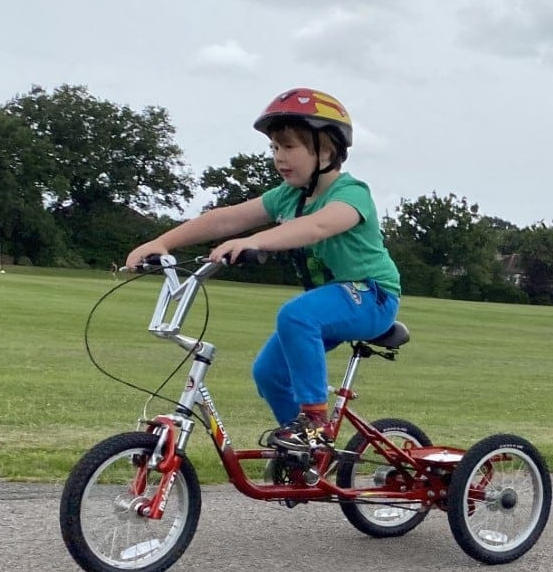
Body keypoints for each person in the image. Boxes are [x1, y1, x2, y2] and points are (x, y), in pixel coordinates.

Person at [124, 88, 401, 451]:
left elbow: (317, 227)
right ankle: (304, 454)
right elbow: (225, 219)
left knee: (297, 315)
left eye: (289, 147)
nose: (279, 157)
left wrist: (257, 241)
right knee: (268, 374)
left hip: (372, 295)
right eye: (274, 148)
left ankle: (314, 424)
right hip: (332, 302)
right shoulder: (288, 196)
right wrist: (163, 243)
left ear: (327, 150)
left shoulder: (351, 194)